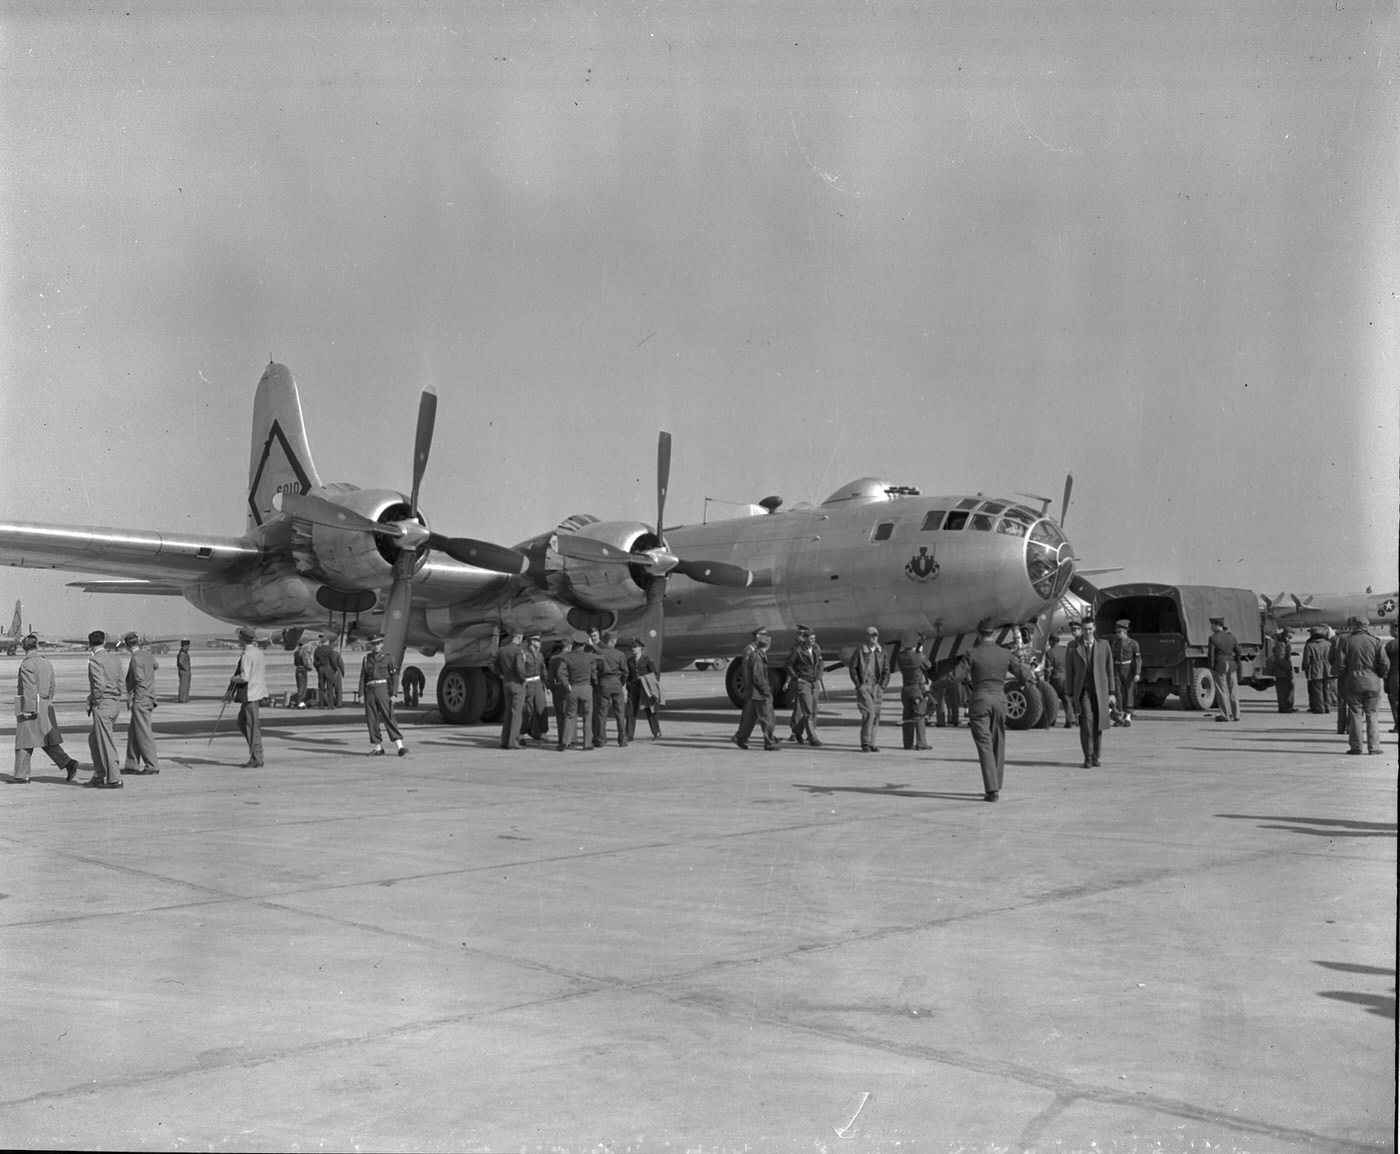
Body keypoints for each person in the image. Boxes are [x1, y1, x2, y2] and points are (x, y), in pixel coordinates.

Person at [954, 617, 1031, 801]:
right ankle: (996, 783)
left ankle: (991, 789)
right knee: (998, 742)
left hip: (980, 702)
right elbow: (1021, 671)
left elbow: (956, 676)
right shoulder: (1005, 653)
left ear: (978, 634)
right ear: (995, 633)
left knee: (984, 744)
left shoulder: (972, 653)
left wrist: (935, 686)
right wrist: (1030, 677)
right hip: (1000, 701)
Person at [12, 633, 81, 784]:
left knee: (24, 740)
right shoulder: (45, 662)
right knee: (44, 740)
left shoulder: (26, 665)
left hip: (32, 706)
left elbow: (29, 688)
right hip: (45, 704)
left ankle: (21, 775)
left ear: (23, 648)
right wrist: (47, 701)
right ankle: (68, 763)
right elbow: (52, 685)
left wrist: (28, 709)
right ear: (36, 646)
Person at [1333, 616, 1389, 755]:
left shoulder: (1346, 641)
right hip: (1372, 681)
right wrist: (1380, 675)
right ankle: (1374, 747)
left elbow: (1339, 664)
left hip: (1353, 682)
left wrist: (1345, 676)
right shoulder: (1375, 641)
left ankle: (1356, 747)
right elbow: (1385, 663)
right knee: (1372, 714)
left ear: (1353, 626)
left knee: (1355, 714)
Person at [1066, 615, 1115, 768]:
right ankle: (1087, 756)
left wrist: (1112, 692)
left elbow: (1110, 670)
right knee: (1086, 721)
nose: (1087, 632)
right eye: (1084, 629)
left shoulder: (1104, 645)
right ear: (1081, 629)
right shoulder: (1073, 646)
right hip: (1083, 690)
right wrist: (1071, 693)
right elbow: (1070, 671)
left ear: (1094, 629)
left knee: (1099, 723)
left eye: (1089, 629)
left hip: (1100, 689)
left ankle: (1096, 756)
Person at [85, 630, 125, 788]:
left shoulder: (95, 660)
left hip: (103, 704)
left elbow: (99, 685)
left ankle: (114, 779)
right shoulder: (115, 658)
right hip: (114, 702)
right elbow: (121, 680)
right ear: (104, 641)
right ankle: (99, 774)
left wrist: (95, 700)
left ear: (90, 643)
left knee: (105, 742)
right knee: (94, 739)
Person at [121, 631, 161, 775]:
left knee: (144, 732)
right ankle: (131, 764)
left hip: (141, 699)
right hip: (148, 698)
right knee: (133, 731)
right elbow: (156, 666)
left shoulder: (135, 658)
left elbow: (139, 680)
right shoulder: (147, 655)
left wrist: (138, 698)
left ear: (126, 645)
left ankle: (152, 765)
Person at [359, 636, 406, 757]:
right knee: (372, 719)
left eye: (377, 644)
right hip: (370, 690)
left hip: (382, 689)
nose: (375, 646)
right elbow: (363, 678)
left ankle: (399, 746)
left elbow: (394, 677)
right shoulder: (366, 659)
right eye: (373, 644)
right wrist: (360, 694)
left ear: (381, 645)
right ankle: (378, 747)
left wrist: (394, 693)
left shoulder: (387, 658)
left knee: (389, 716)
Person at [732, 628, 779, 750]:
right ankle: (769, 741)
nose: (766, 637)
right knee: (766, 717)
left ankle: (740, 738)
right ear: (758, 636)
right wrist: (765, 690)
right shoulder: (752, 652)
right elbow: (751, 673)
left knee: (750, 718)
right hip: (755, 690)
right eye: (764, 635)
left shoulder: (757, 653)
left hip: (753, 691)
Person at [227, 625, 267, 767]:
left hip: (250, 694)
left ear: (242, 639)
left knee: (251, 725)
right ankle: (255, 753)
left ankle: (257, 757)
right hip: (257, 692)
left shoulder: (247, 654)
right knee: (243, 723)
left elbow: (244, 677)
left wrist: (233, 679)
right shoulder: (258, 652)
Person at [846, 626, 889, 752]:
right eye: (872, 635)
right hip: (865, 686)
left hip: (877, 686)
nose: (874, 637)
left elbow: (886, 670)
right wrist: (859, 685)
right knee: (869, 713)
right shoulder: (859, 651)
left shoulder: (882, 652)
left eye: (876, 635)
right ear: (866, 636)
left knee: (876, 715)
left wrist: (882, 686)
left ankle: (872, 743)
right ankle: (865, 742)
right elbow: (853, 668)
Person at [785, 625, 824, 747]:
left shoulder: (816, 648)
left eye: (814, 638)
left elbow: (821, 662)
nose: (813, 640)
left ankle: (797, 730)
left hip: (814, 682)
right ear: (805, 638)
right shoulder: (798, 650)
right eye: (811, 638)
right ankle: (813, 738)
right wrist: (797, 678)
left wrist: (819, 676)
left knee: (812, 711)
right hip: (804, 683)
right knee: (808, 712)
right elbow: (789, 665)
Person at [559, 633, 598, 750]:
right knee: (587, 717)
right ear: (584, 644)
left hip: (573, 688)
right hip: (586, 688)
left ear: (574, 644)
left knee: (570, 716)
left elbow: (560, 673)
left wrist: (566, 684)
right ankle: (587, 744)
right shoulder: (589, 657)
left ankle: (565, 742)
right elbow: (594, 673)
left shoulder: (567, 657)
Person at [592, 630, 630, 748]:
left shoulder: (599, 654)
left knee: (602, 713)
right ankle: (623, 739)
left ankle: (601, 739)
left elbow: (594, 671)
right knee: (620, 713)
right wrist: (621, 683)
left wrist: (597, 683)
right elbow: (625, 672)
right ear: (613, 641)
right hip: (616, 683)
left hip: (603, 683)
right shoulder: (620, 654)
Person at [895, 631, 932, 750]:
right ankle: (921, 743)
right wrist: (921, 653)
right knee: (920, 716)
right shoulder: (917, 656)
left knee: (907, 717)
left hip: (905, 688)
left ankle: (907, 743)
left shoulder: (900, 656)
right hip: (917, 689)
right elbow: (928, 665)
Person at [494, 627, 528, 750]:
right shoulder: (518, 651)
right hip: (517, 684)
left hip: (506, 683)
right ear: (518, 637)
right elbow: (519, 668)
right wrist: (523, 679)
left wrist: (501, 675)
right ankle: (513, 741)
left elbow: (492, 663)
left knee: (508, 712)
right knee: (516, 713)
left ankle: (504, 740)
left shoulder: (502, 650)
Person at [625, 638, 663, 741]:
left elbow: (654, 674)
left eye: (635, 647)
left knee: (650, 710)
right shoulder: (629, 661)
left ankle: (657, 732)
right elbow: (628, 674)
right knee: (630, 711)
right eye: (632, 647)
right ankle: (629, 734)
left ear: (640, 648)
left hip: (645, 690)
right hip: (633, 689)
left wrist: (650, 685)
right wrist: (628, 684)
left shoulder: (647, 660)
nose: (633, 649)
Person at [1207, 616, 1241, 722]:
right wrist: (1236, 663)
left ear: (1217, 625)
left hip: (1219, 665)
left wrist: (1211, 667)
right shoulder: (1232, 637)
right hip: (1231, 665)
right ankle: (1236, 715)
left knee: (1221, 690)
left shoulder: (1213, 638)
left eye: (1212, 625)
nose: (1211, 627)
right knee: (1233, 690)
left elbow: (1211, 655)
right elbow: (1238, 652)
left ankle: (1225, 715)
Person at [1109, 619, 1141, 727]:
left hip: (1128, 669)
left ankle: (1128, 716)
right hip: (1117, 668)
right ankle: (1119, 716)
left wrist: (1137, 673)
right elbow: (1112, 657)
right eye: (1117, 632)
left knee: (1129, 692)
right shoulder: (1115, 642)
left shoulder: (1133, 643)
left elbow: (1138, 659)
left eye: (1119, 632)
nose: (1117, 634)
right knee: (1118, 692)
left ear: (1125, 632)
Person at [1044, 632, 1076, 730]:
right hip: (1068, 678)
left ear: (1051, 641)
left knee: (1053, 700)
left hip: (1056, 679)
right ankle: (1070, 720)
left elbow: (1048, 669)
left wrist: (1046, 681)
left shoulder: (1049, 652)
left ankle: (1053, 720)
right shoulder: (1066, 650)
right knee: (1067, 700)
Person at [520, 634, 548, 743]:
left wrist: (547, 684)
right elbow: (521, 669)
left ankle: (542, 732)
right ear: (531, 641)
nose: (540, 643)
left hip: (538, 683)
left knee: (541, 707)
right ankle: (521, 733)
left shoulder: (540, 655)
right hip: (528, 683)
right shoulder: (524, 654)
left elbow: (543, 670)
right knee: (527, 709)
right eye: (537, 640)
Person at [546, 639, 572, 747]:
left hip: (558, 688)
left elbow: (550, 677)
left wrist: (552, 688)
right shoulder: (571, 657)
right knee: (571, 715)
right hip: (570, 687)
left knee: (560, 715)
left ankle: (562, 739)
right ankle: (571, 739)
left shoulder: (553, 659)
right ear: (568, 647)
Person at [1301, 627, 1332, 714]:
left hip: (1315, 669)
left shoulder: (1309, 645)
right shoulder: (1328, 643)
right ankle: (1327, 707)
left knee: (1317, 689)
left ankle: (1319, 708)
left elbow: (1306, 660)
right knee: (1326, 689)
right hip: (1327, 669)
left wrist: (1306, 669)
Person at [1270, 629, 1296, 713]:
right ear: (1287, 633)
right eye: (1292, 633)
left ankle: (1289, 706)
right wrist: (1288, 668)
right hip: (1282, 671)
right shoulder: (1281, 644)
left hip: (1286, 669)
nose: (1293, 635)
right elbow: (1280, 658)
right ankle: (1284, 707)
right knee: (1282, 690)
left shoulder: (1286, 642)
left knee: (1289, 688)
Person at [314, 637, 335, 707]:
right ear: (326, 642)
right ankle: (330, 705)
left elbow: (315, 662)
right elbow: (333, 660)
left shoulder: (317, 650)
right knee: (330, 688)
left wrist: (318, 668)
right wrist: (335, 668)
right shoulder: (330, 649)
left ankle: (321, 705)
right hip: (329, 668)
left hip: (321, 668)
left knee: (321, 688)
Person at [1385, 623, 1399, 733]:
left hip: (1395, 678)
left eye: (1391, 630)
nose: (1389, 632)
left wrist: (1385, 680)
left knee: (1395, 702)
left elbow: (1385, 664)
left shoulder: (1391, 645)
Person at [292, 640, 313, 708]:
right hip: (303, 670)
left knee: (299, 686)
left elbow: (295, 663)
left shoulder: (296, 652)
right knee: (303, 686)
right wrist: (308, 668)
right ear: (303, 645)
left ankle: (300, 700)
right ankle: (300, 701)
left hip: (298, 669)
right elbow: (304, 662)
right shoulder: (303, 652)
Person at [328, 637, 346, 708]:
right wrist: (343, 672)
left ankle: (330, 703)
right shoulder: (337, 654)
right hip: (336, 672)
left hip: (328, 672)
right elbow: (341, 664)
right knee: (338, 689)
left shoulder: (327, 654)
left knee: (329, 689)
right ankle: (339, 703)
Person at [175, 639, 193, 703]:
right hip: (184, 672)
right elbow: (181, 662)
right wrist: (186, 668)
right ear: (185, 645)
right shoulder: (182, 653)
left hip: (185, 671)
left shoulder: (184, 652)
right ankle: (182, 699)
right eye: (188, 646)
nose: (188, 647)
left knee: (186, 685)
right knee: (183, 686)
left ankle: (185, 698)